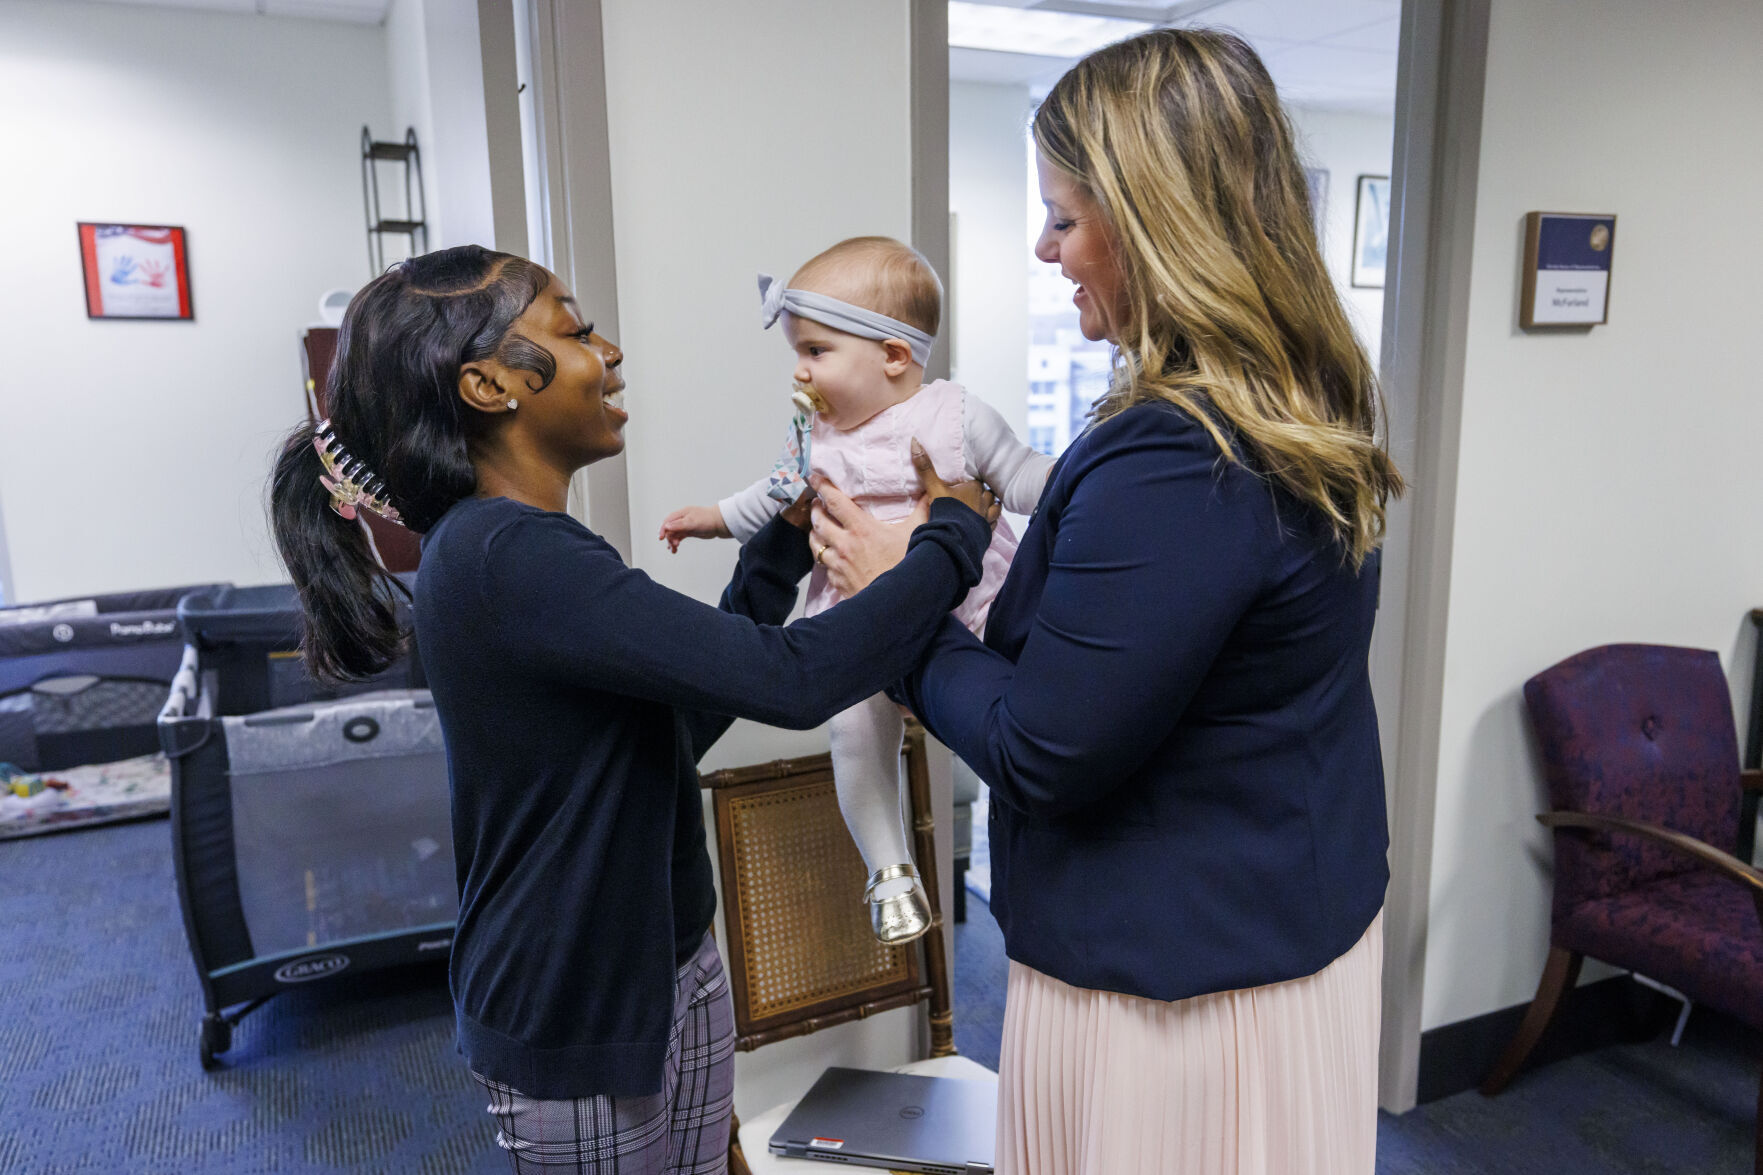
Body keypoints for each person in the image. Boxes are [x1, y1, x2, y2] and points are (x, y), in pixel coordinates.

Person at [811, 28, 1403, 1175]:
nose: (1044, 249)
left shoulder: (1174, 457)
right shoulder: (1301, 403)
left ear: (1154, 219)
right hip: (1284, 927)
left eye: (1063, 217)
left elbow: (1041, 750)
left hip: (1176, 1002)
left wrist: (903, 603)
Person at [267, 245, 996, 1173]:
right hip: (576, 1004)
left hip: (670, 971)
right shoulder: (504, 557)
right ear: (491, 385)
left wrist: (779, 542)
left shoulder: (534, 546)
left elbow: (675, 724)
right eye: (573, 332)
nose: (608, 352)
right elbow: (794, 679)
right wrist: (953, 534)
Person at [658, 236, 1052, 945]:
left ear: (894, 357)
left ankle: (1040, 837)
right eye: (796, 354)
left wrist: (1084, 478)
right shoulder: (810, 435)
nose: (799, 371)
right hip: (863, 617)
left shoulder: (954, 416)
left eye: (815, 351)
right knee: (850, 722)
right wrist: (712, 518)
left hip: (977, 601)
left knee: (1022, 710)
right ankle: (890, 868)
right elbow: (771, 497)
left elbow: (1022, 477)